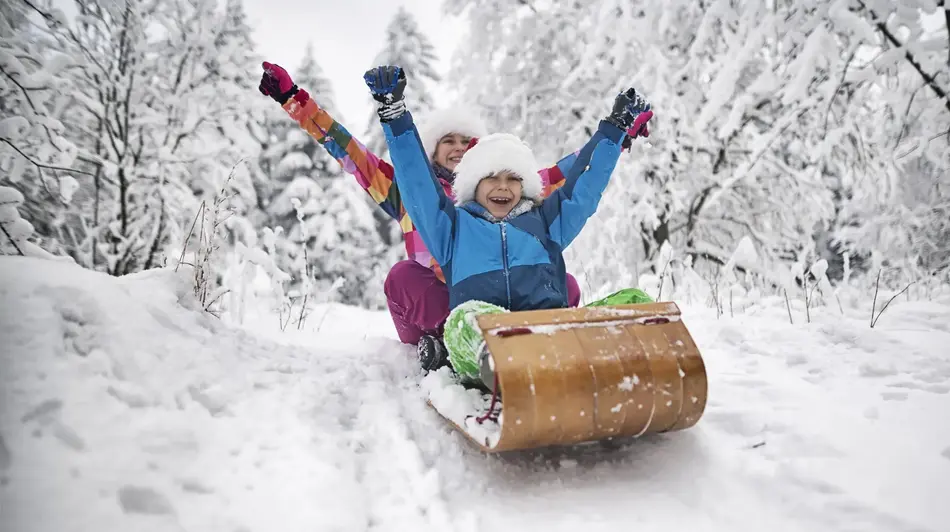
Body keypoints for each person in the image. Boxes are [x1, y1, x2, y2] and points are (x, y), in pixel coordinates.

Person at [258, 62, 652, 364]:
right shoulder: (410, 192)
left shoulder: (509, 191)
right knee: (402, 276)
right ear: (431, 149)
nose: (460, 147)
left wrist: (618, 136)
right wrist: (296, 101)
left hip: (514, 299)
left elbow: (573, 175)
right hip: (448, 306)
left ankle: (545, 346)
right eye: (449, 140)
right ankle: (448, 350)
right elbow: (351, 153)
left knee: (562, 282)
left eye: (469, 141)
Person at [363, 65, 654, 379]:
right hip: (488, 339)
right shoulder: (453, 230)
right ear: (473, 186)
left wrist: (614, 130)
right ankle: (499, 367)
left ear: (526, 186)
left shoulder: (546, 223)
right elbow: (417, 183)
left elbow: (584, 184)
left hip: (548, 338)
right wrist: (394, 115)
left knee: (634, 301)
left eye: (513, 179)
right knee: (464, 320)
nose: (502, 186)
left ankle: (641, 360)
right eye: (491, 178)